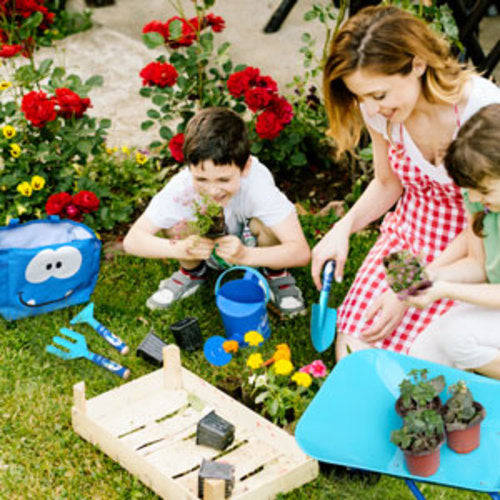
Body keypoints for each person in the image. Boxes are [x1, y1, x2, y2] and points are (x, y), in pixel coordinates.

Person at [311, 5, 500, 360]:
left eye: (379, 95)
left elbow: (482, 218)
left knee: (419, 354)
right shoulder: (380, 111)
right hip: (409, 234)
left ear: (417, 64)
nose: (371, 107)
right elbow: (387, 183)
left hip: (472, 240)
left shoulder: (479, 106)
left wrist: (408, 288)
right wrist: (344, 227)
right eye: (361, 97)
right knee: (357, 342)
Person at [123, 106, 310, 316]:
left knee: (268, 224)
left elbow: (301, 252)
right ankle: (192, 271)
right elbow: (132, 241)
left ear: (245, 167)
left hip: (252, 241)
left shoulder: (258, 186)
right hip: (204, 243)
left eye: (224, 179)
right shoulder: (181, 187)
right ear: (188, 168)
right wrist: (180, 249)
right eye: (201, 179)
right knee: (175, 223)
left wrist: (247, 255)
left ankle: (275, 273)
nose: (213, 190)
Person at [406, 104, 500, 379]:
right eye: (469, 190)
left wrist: (446, 289)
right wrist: (432, 276)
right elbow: (478, 264)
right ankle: (431, 410)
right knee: (423, 353)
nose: (474, 198)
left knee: (456, 337)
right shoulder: (482, 201)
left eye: (484, 190)